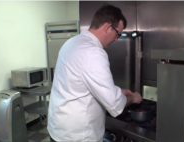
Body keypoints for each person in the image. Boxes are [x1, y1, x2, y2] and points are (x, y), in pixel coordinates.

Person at [47, 4, 142, 142]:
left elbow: (80, 84)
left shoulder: (72, 42)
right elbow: (115, 104)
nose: (116, 39)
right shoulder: (93, 52)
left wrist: (117, 90)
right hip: (78, 136)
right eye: (118, 34)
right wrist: (133, 98)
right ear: (108, 27)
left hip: (59, 129)